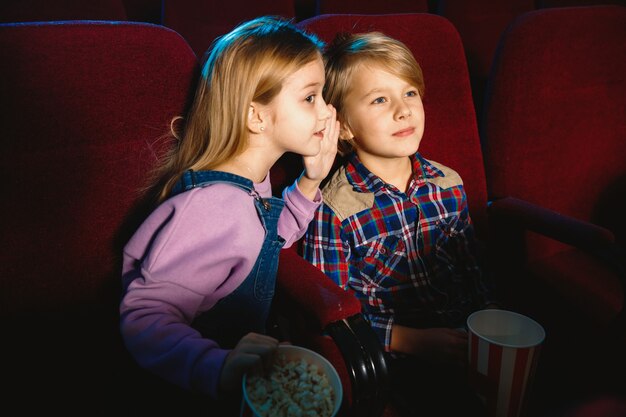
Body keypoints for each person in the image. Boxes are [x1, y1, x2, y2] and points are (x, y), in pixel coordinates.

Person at [119, 16, 339, 413]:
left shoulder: (252, 182)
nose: (327, 112)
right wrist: (218, 366)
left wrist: (311, 181)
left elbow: (262, 243)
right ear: (256, 116)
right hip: (195, 393)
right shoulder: (211, 207)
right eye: (311, 97)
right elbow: (144, 318)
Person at [303, 32, 497, 417]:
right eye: (379, 99)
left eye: (409, 93)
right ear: (343, 126)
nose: (403, 110)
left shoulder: (449, 183)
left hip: (465, 340)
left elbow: (472, 273)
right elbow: (330, 319)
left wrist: (490, 321)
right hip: (393, 359)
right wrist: (411, 341)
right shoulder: (333, 208)